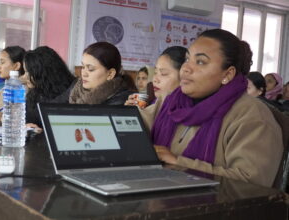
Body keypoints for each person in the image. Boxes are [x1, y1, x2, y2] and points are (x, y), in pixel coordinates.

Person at [142, 29, 283, 187]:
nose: (186, 68)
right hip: (161, 199)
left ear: (227, 75)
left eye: (200, 62)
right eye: (187, 59)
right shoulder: (171, 102)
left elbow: (250, 184)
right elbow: (135, 128)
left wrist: (179, 163)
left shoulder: (252, 117)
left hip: (216, 209)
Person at [52, 42, 136, 105]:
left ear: (110, 74)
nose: (83, 74)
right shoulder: (77, 87)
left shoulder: (124, 101)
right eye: (83, 67)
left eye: (90, 69)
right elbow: (50, 107)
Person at [23, 46, 75, 129]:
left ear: (43, 73)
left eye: (29, 72)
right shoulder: (34, 94)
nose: (25, 77)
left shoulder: (71, 94)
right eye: (25, 72)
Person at [0, 46, 25, 123]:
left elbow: (16, 119)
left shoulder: (22, 89)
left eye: (2, 62)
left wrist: (0, 117)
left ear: (16, 66)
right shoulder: (1, 91)